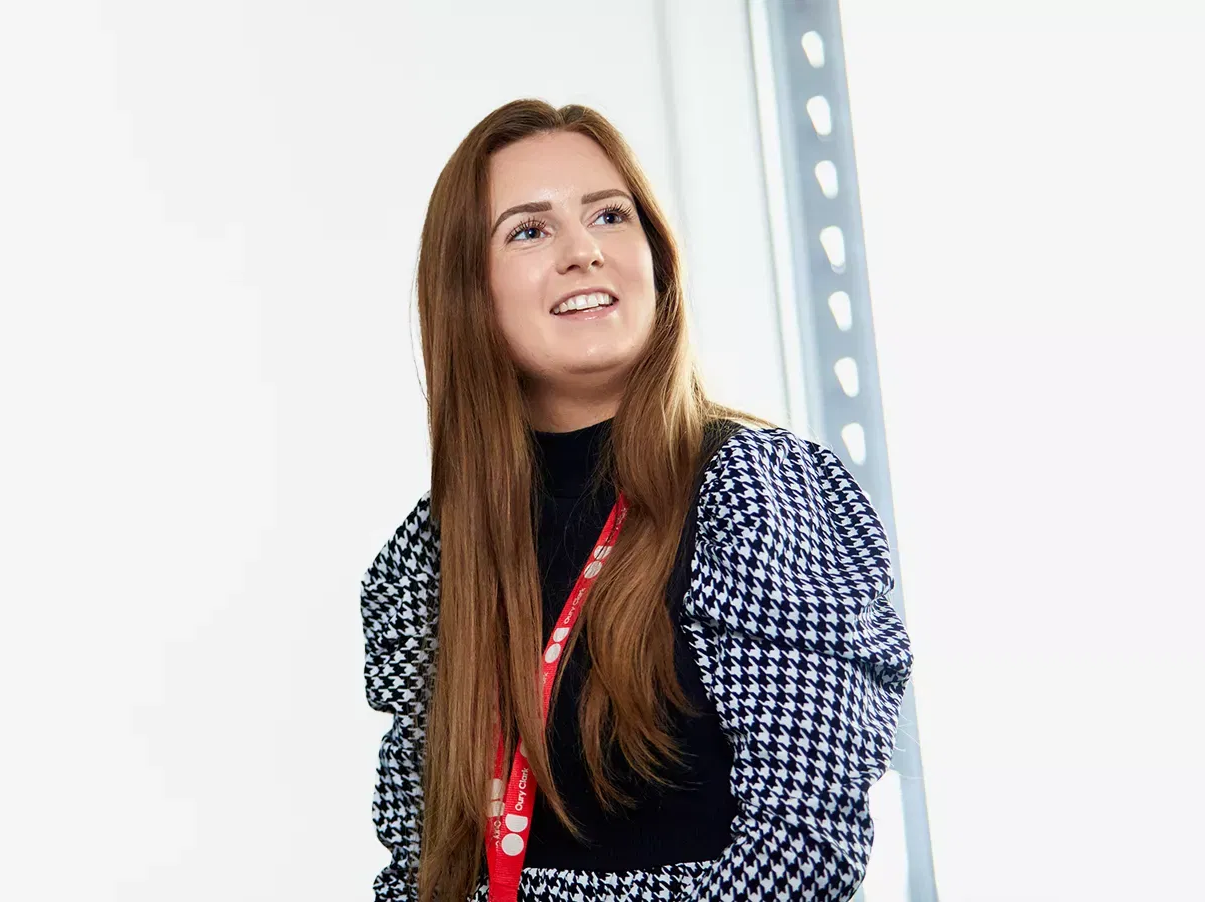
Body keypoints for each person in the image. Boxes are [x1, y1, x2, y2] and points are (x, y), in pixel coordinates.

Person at [359, 99, 914, 902]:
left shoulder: (756, 489)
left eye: (608, 216)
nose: (582, 252)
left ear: (653, 254)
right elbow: (419, 866)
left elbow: (798, 861)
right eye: (528, 229)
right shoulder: (432, 552)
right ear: (467, 290)